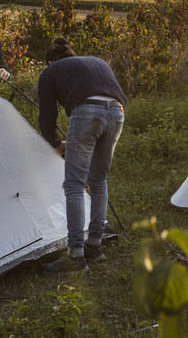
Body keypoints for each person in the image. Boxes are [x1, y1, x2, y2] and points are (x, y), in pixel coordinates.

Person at [37, 38, 127, 272]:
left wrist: (57, 144)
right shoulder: (94, 62)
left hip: (87, 112)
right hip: (117, 112)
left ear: (49, 62)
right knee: (99, 180)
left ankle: (75, 255)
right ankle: (95, 246)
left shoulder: (51, 72)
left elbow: (46, 121)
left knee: (75, 184)